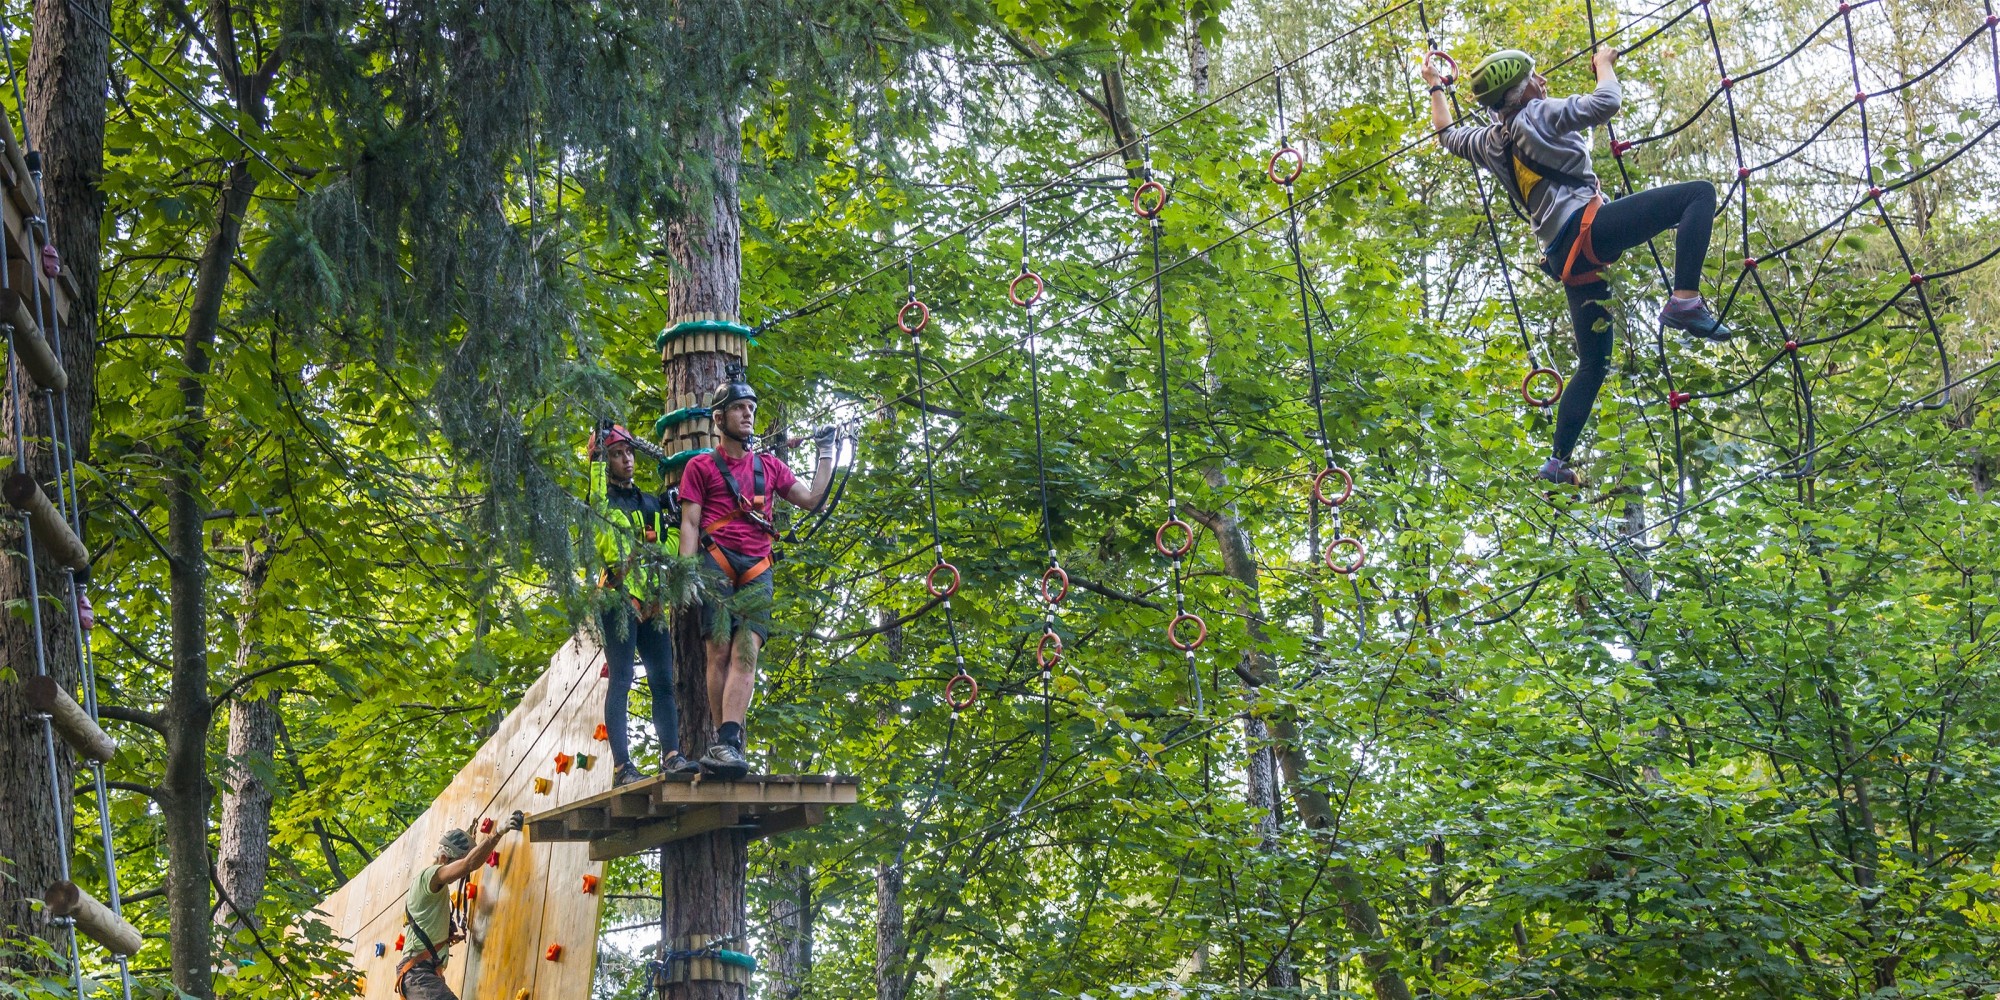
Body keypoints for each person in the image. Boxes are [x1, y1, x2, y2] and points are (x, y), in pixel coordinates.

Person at [1425, 44, 1731, 486]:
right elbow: (1607, 102)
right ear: (1521, 90)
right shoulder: (1539, 114)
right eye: (1534, 77)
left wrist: (1435, 85)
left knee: (1593, 365)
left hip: (1567, 258)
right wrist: (1603, 65)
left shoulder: (1492, 142)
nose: (1542, 80)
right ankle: (1684, 299)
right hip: (1589, 231)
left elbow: (1446, 133)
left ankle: (1557, 461)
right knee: (1698, 194)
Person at [677, 373, 839, 778]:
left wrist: (826, 451)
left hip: (757, 567)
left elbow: (812, 499)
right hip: (714, 563)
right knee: (718, 652)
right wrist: (686, 574)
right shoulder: (700, 467)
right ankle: (720, 740)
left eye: (751, 409)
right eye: (738, 408)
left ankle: (728, 742)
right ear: (719, 418)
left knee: (745, 651)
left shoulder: (769, 466)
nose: (747, 415)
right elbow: (690, 525)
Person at [587, 422, 700, 786]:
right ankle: (622, 767)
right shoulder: (603, 504)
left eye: (629, 453)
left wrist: (673, 520)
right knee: (621, 678)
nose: (627, 460)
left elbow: (669, 553)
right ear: (607, 462)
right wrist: (593, 461)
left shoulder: (650, 502)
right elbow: (607, 536)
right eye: (618, 454)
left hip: (651, 602)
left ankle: (672, 755)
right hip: (618, 599)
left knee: (663, 681)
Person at [395, 813, 521, 1000]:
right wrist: (497, 833)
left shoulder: (432, 888)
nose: (455, 876)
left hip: (422, 973)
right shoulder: (430, 875)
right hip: (418, 973)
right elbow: (468, 864)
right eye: (454, 864)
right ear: (445, 858)